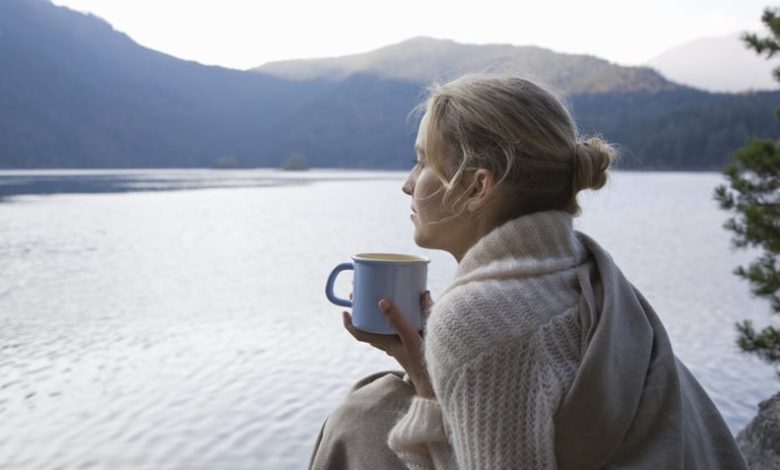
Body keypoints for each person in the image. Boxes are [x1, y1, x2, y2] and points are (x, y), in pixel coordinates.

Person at [309, 74, 748, 469]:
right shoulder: (583, 271)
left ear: (477, 186)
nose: (408, 183)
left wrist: (439, 374)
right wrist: (426, 373)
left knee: (363, 416)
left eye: (423, 162)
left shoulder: (477, 320)